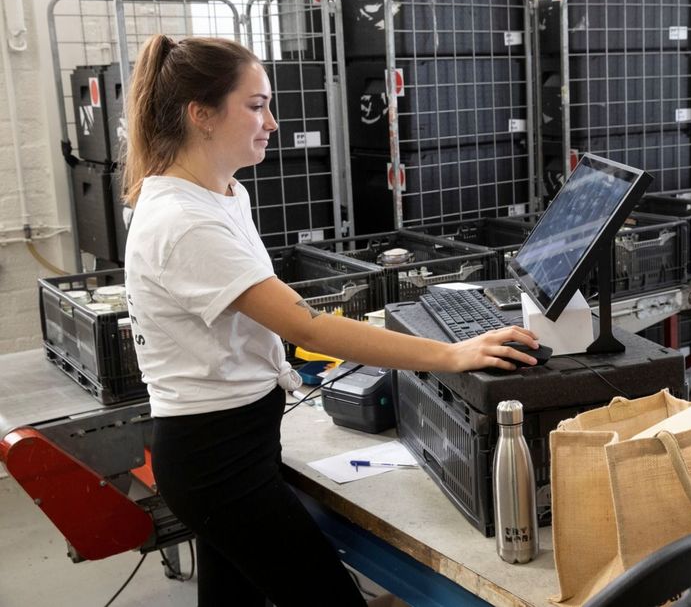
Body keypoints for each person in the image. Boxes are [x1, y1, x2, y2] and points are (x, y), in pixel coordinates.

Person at [122, 34, 540, 607]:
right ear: (201, 115)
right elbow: (308, 328)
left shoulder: (222, 196)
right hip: (216, 458)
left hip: (235, 441)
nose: (271, 121)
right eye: (256, 105)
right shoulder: (184, 221)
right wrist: (452, 354)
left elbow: (270, 310)